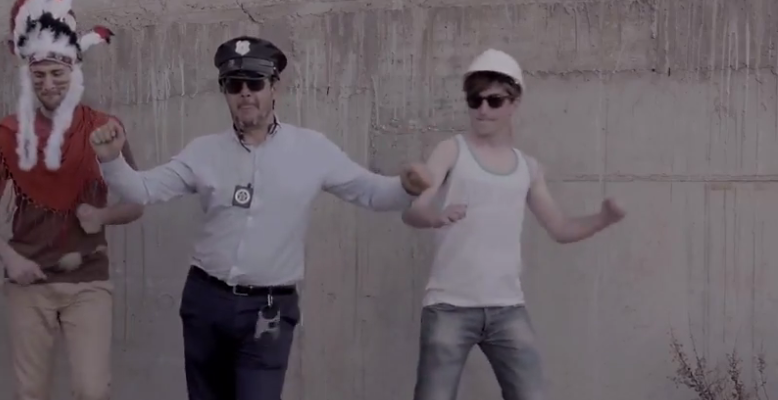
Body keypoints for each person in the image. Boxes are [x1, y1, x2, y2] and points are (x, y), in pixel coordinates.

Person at [88, 35, 433, 400]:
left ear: (274, 88)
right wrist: (111, 159)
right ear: (225, 92)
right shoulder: (204, 151)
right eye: (234, 85)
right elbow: (143, 190)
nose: (245, 93)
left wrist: (406, 187)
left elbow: (371, 192)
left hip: (269, 311)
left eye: (255, 83)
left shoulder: (311, 149)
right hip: (206, 302)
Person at [400, 48, 626, 400]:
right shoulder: (451, 150)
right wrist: (435, 216)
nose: (483, 109)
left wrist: (603, 219)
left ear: (515, 102)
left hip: (507, 309)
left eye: (494, 101)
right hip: (449, 307)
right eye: (474, 100)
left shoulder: (528, 167)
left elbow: (560, 228)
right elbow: (412, 211)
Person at [0, 1, 139, 399]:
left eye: (57, 73)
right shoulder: (10, 134)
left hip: (88, 282)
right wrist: (10, 258)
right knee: (31, 393)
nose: (48, 83)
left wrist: (103, 215)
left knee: (92, 390)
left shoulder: (104, 128)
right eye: (38, 74)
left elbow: (137, 201)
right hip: (29, 284)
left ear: (75, 71)